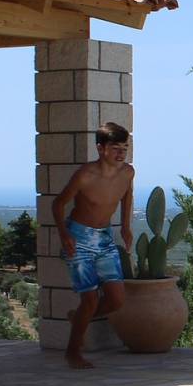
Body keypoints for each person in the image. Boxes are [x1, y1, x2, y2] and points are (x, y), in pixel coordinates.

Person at [52, 121, 135, 369]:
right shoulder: (86, 174)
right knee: (89, 299)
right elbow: (58, 204)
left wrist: (125, 226)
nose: (121, 154)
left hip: (104, 238)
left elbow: (128, 194)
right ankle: (73, 352)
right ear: (101, 149)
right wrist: (64, 234)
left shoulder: (128, 172)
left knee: (117, 300)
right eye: (115, 148)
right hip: (79, 238)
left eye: (125, 148)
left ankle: (78, 318)